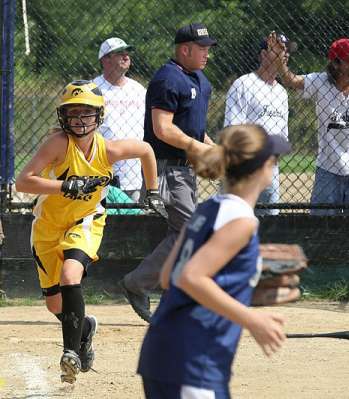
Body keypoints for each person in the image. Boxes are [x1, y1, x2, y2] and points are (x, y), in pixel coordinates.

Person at [15, 80, 167, 384]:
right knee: (54, 305)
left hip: (86, 220)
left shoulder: (107, 150)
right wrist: (64, 185)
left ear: (99, 115)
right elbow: (23, 182)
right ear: (63, 116)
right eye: (72, 113)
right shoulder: (58, 144)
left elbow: (146, 150)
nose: (79, 119)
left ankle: (70, 353)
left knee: (71, 276)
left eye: (87, 113)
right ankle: (83, 331)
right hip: (46, 226)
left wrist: (152, 192)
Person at [138, 124, 291, 399]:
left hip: (163, 352)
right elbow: (189, 277)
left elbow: (167, 277)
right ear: (262, 169)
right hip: (194, 360)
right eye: (273, 160)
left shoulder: (208, 208)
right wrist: (253, 321)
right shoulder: (241, 220)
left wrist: (241, 286)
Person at [118, 22, 216, 322]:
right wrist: (196, 148)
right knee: (192, 234)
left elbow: (194, 129)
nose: (207, 54)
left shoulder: (201, 81)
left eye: (208, 49)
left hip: (184, 171)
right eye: (202, 49)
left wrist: (213, 149)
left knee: (185, 234)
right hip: (167, 170)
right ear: (184, 49)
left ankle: (151, 287)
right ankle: (142, 285)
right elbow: (162, 129)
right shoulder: (168, 78)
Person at [267, 32, 349, 215]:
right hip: (328, 169)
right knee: (321, 227)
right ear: (335, 64)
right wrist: (279, 62)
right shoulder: (321, 82)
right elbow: (290, 80)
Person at [224, 33, 298, 215]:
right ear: (264, 55)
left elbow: (283, 135)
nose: (286, 54)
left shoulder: (282, 92)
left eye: (287, 51)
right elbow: (232, 132)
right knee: (236, 221)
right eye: (281, 50)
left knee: (270, 225)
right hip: (244, 170)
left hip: (270, 170)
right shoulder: (243, 84)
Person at [92, 37, 147, 202]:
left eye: (127, 53)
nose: (126, 57)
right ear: (104, 60)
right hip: (100, 173)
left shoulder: (138, 89)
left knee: (132, 222)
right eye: (119, 54)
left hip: (134, 173)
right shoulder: (93, 89)